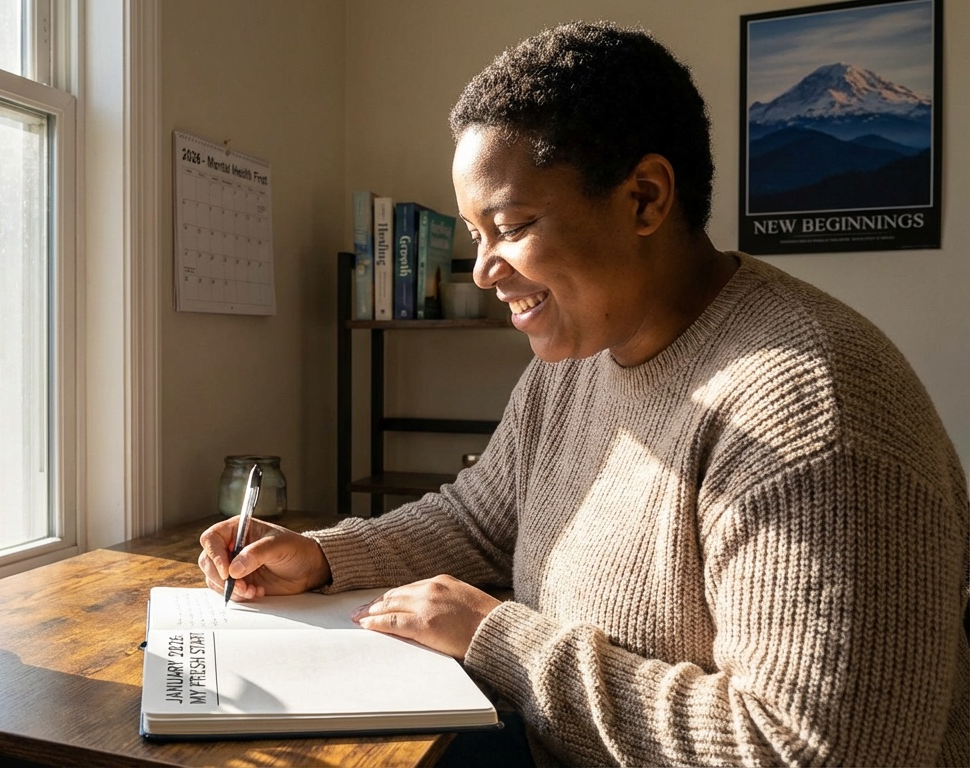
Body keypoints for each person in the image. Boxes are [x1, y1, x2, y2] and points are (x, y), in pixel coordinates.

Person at [199, 20, 969, 767]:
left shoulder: (814, 412)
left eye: (511, 224)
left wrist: (498, 637)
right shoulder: (574, 360)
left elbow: (809, 751)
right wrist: (325, 557)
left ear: (644, 198)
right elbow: (481, 518)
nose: (483, 270)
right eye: (476, 234)